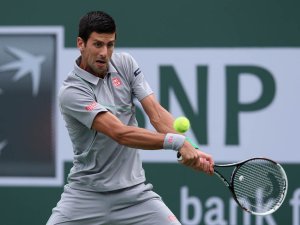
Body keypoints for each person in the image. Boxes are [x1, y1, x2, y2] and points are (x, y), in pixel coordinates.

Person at [46, 10, 214, 225]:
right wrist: (177, 142)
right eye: (97, 44)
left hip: (135, 196)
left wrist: (192, 148)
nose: (105, 53)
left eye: (110, 45)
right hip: (85, 196)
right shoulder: (72, 92)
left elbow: (156, 114)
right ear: (81, 43)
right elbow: (120, 133)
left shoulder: (124, 64)